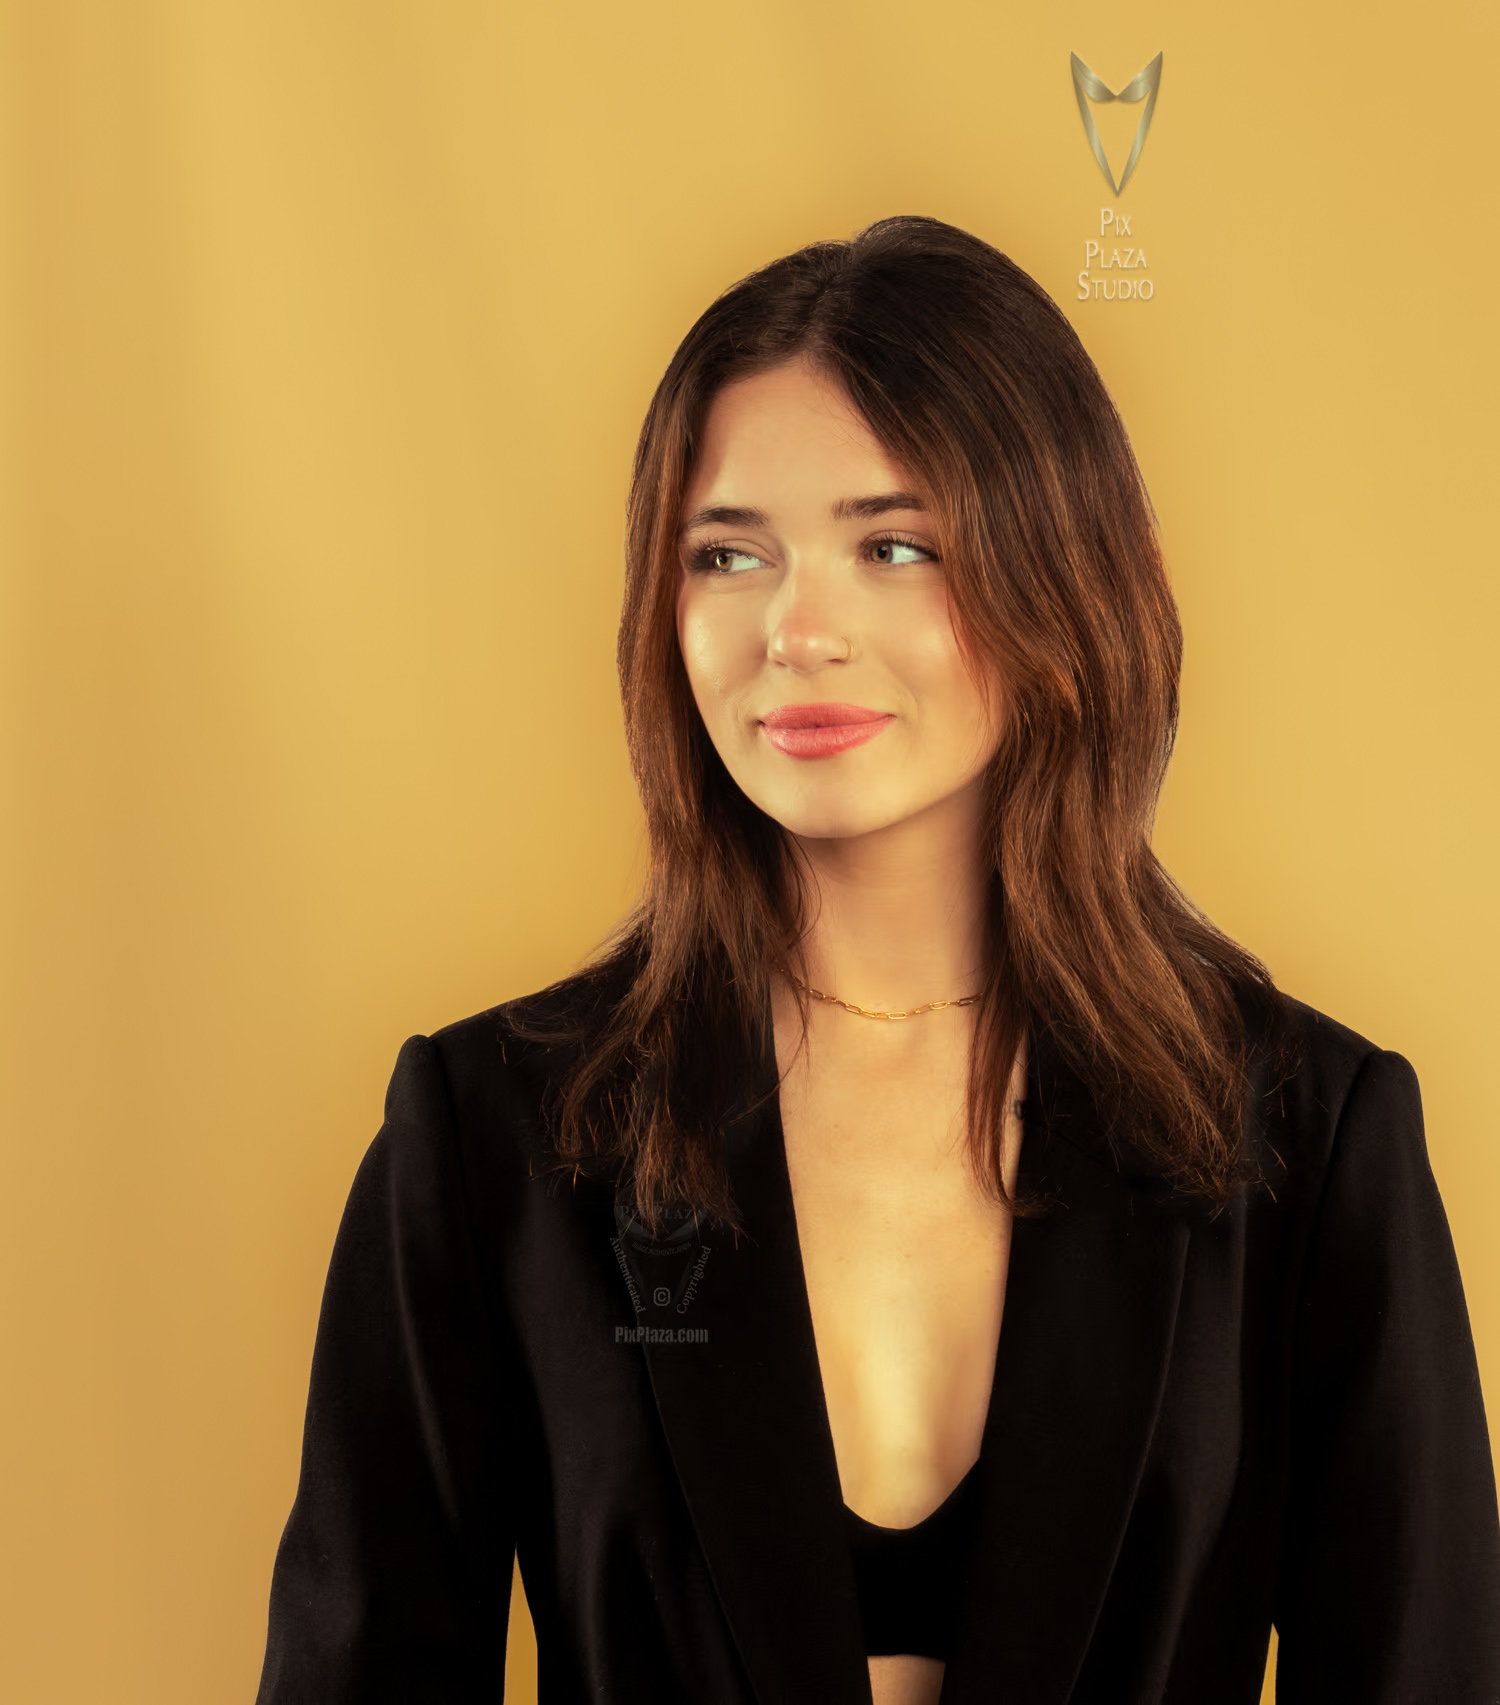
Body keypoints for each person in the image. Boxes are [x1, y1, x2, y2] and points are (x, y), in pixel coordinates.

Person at [255, 216, 1500, 1704]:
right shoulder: (488, 1138)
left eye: (891, 544)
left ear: (1060, 578)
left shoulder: (1308, 1133)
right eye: (728, 554)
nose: (798, 628)